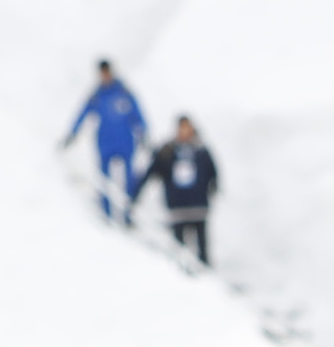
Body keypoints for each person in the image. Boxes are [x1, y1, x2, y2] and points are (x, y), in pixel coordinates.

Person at [63, 60, 147, 223]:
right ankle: (106, 214)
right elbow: (83, 114)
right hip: (105, 142)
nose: (105, 76)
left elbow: (137, 115)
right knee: (104, 179)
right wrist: (73, 133)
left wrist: (143, 134)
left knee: (129, 180)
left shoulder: (124, 93)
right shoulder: (97, 95)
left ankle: (129, 214)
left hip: (125, 142)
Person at [140, 115, 221, 263]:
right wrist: (136, 194)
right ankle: (181, 278)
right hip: (178, 209)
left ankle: (205, 275)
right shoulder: (168, 151)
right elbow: (152, 172)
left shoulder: (201, 150)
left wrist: (212, 190)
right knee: (179, 250)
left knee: (202, 249)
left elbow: (213, 174)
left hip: (198, 208)